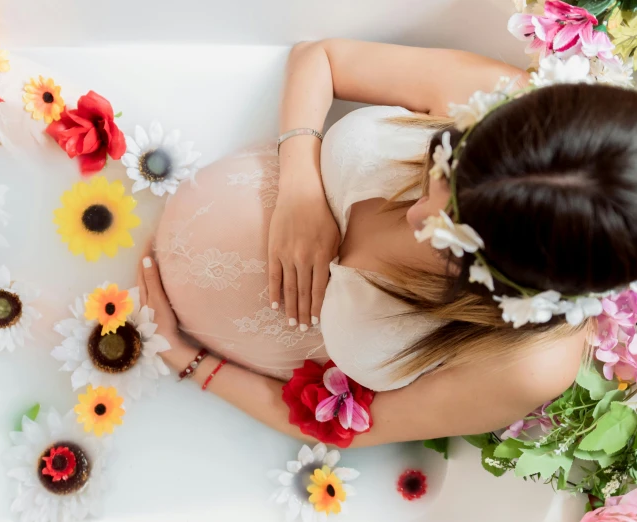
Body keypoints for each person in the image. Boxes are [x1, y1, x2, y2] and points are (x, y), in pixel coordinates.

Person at [136, 39, 637, 447]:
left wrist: (182, 356)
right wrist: (301, 185)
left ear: (515, 291)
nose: (419, 211)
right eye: (447, 162)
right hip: (155, 179)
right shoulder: (508, 104)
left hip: (170, 352)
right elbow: (320, 57)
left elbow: (344, 428)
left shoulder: (529, 364)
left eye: (451, 248)